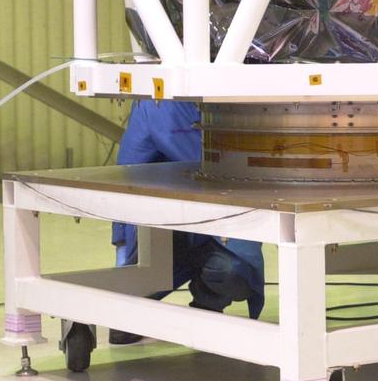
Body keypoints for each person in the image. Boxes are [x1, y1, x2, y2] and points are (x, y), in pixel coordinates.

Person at [108, 99, 265, 344]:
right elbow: (127, 176)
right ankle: (131, 305)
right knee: (144, 272)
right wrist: (125, 274)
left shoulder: (244, 99)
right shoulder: (156, 107)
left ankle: (209, 301)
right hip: (169, 228)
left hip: (224, 219)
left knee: (237, 274)